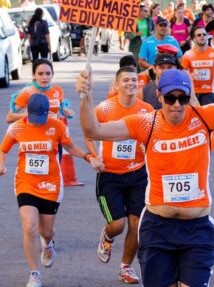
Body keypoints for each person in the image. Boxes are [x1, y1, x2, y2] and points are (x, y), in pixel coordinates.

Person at [76, 58, 214, 287]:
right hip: (158, 228)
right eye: (170, 98)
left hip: (196, 230)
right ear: (159, 96)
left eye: (182, 98)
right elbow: (94, 130)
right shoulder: (146, 123)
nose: (176, 104)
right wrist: (85, 96)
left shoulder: (204, 116)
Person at [0, 93, 102, 287]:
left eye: (40, 119)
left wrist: (89, 157)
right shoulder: (16, 127)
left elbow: (71, 147)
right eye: (33, 118)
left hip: (51, 183)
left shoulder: (57, 126)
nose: (36, 123)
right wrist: (0, 165)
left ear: (48, 113)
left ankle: (49, 243)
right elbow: (3, 149)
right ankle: (34, 274)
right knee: (29, 226)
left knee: (47, 231)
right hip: (25, 182)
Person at [84, 66, 154, 284]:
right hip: (110, 175)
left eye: (134, 80)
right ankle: (107, 236)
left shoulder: (147, 109)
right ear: (116, 84)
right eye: (126, 80)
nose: (131, 83)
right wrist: (94, 156)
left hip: (137, 174)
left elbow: (154, 136)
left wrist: (148, 147)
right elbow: (89, 133)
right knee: (118, 225)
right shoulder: (104, 109)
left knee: (136, 224)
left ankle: (126, 267)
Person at [6, 59, 75, 162]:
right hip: (34, 139)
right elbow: (9, 117)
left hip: (54, 137)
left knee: (54, 171)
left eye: (48, 73)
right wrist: (31, 114)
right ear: (34, 75)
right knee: (36, 174)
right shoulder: (27, 92)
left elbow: (61, 107)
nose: (44, 77)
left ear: (52, 74)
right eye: (40, 74)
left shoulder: (58, 90)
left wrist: (66, 111)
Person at [181, 26, 214, 105]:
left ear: (207, 36)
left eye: (204, 34)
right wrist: (189, 76)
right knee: (194, 116)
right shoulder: (188, 54)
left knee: (207, 116)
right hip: (193, 91)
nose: (202, 36)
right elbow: (181, 71)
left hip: (209, 91)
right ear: (194, 39)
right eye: (199, 35)